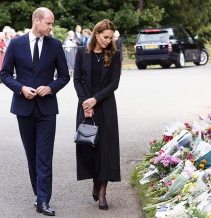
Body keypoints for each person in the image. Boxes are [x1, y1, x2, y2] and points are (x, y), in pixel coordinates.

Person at [0, 7, 70, 216]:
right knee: (32, 156)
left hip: (47, 109)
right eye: (48, 23)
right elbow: (5, 74)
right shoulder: (16, 43)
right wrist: (20, 88)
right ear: (37, 21)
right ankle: (38, 194)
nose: (51, 27)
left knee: (44, 156)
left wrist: (50, 87)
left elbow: (64, 76)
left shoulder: (55, 45)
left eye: (52, 23)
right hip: (24, 108)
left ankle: (43, 200)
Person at [73, 19, 121, 210]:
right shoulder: (81, 53)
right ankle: (95, 181)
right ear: (96, 34)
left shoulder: (114, 54)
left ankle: (102, 192)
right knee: (89, 147)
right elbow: (77, 79)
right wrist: (86, 102)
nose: (107, 41)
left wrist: (95, 100)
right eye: (105, 37)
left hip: (106, 105)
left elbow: (114, 84)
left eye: (110, 38)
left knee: (106, 150)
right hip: (85, 105)